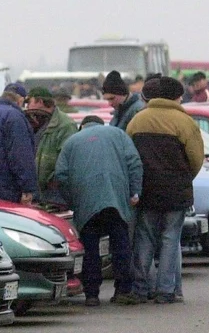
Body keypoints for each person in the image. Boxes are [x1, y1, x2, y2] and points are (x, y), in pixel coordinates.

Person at [126, 76, 203, 303]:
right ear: (176, 97)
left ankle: (141, 288)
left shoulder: (137, 120)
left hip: (146, 189)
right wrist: (184, 178)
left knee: (144, 239)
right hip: (176, 190)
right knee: (170, 239)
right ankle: (166, 290)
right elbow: (196, 158)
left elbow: (129, 156)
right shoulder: (184, 122)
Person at [54, 115, 143, 306]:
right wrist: (134, 191)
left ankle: (92, 294)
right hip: (116, 200)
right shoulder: (118, 134)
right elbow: (134, 162)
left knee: (90, 248)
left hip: (86, 204)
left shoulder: (71, 142)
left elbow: (60, 175)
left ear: (82, 127)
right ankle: (123, 290)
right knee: (121, 245)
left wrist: (73, 199)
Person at [24, 86, 76, 205]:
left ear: (40, 101)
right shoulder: (36, 122)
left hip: (56, 195)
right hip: (38, 193)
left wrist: (52, 181)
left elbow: (68, 159)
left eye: (29, 102)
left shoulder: (65, 125)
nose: (27, 107)